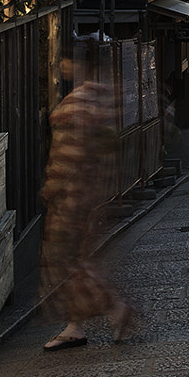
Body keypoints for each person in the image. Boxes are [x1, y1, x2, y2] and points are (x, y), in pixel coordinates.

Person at [41, 67, 138, 351]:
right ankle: (75, 325)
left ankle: (115, 307)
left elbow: (69, 155)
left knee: (68, 259)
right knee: (74, 259)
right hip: (89, 192)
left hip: (71, 197)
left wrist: (51, 186)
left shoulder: (76, 107)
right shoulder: (97, 103)